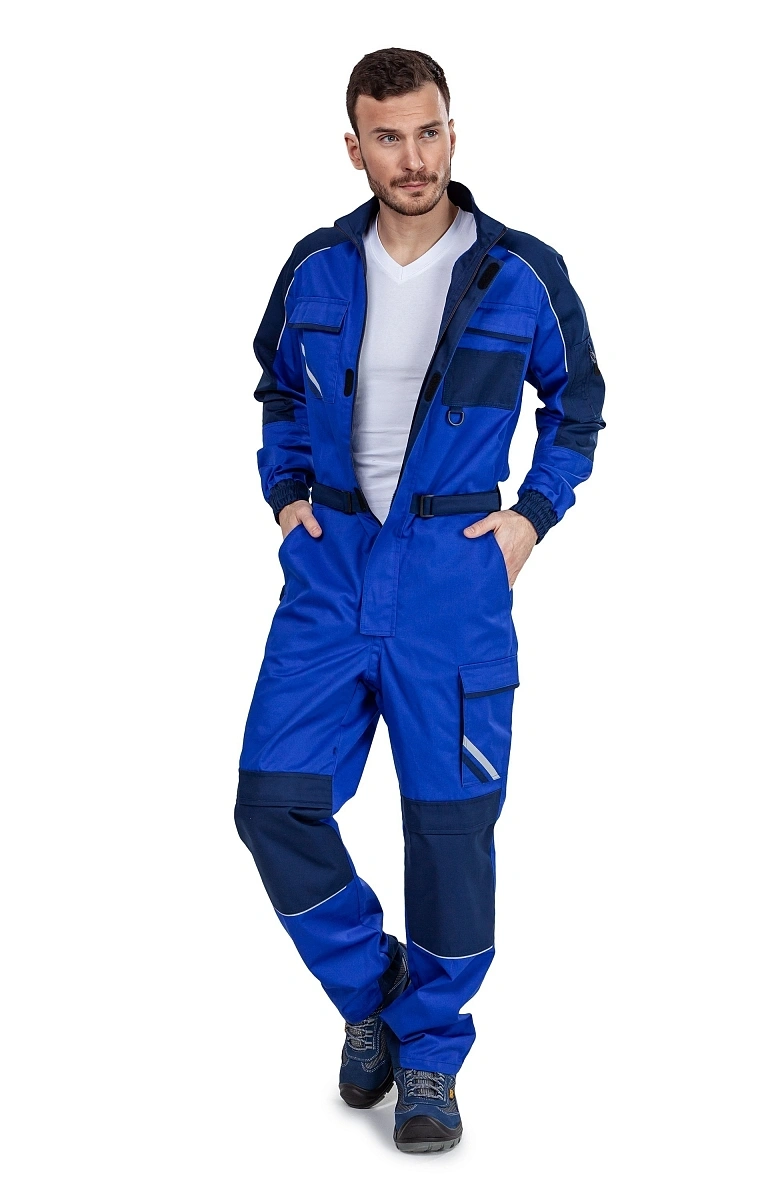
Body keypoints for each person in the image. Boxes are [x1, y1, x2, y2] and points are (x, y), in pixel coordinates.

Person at [234, 47, 605, 1154]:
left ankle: (430, 1056)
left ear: (453, 133)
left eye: (428, 132)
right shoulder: (315, 268)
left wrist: (532, 516)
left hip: (452, 576)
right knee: (273, 804)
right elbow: (276, 390)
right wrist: (285, 496)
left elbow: (578, 406)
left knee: (449, 829)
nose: (412, 158)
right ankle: (379, 993)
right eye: (388, 138)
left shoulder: (518, 273)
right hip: (332, 568)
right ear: (354, 148)